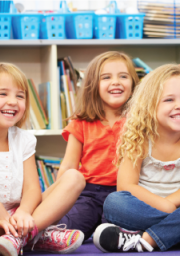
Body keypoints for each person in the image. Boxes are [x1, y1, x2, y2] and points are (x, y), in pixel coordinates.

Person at [93, 64, 180, 253]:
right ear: (149, 106)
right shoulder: (139, 138)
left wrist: (171, 202)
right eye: (169, 100)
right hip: (145, 208)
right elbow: (126, 187)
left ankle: (145, 239)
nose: (179, 105)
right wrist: (165, 206)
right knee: (114, 203)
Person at [0, 63, 84, 256]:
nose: (13, 101)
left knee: (74, 177)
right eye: (2, 94)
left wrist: (24, 212)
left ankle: (19, 237)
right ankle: (36, 236)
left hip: (18, 216)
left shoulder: (24, 139)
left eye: (20, 96)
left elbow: (31, 189)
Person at [57, 51, 139, 240]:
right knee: (66, 230)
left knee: (118, 230)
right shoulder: (80, 123)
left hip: (127, 194)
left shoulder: (140, 121)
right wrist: (57, 201)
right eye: (106, 77)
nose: (116, 82)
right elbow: (68, 167)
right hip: (89, 194)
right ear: (93, 86)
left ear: (134, 84)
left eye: (123, 76)